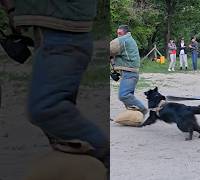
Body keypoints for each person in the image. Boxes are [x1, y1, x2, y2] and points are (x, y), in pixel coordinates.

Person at [0, 0, 108, 168]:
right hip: (53, 31)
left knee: (46, 108)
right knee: (63, 136)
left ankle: (106, 158)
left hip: (64, 31)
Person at [110, 25, 148, 115]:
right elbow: (114, 55)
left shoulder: (124, 40)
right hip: (129, 73)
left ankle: (143, 109)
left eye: (120, 33)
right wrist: (114, 69)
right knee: (129, 98)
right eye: (117, 33)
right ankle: (133, 117)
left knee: (124, 95)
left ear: (125, 33)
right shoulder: (128, 40)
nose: (118, 35)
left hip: (130, 74)